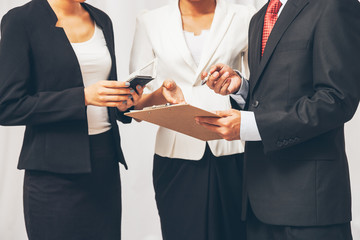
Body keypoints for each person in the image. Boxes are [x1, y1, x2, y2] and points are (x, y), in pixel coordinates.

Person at [196, 0, 360, 239]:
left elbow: (336, 100)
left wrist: (253, 126)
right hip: (257, 203)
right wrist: (241, 88)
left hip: (309, 206)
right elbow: (271, 96)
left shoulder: (334, 5)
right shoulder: (259, 18)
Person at [0, 0, 144, 239]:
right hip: (53, 174)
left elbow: (107, 93)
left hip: (104, 164)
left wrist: (123, 101)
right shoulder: (21, 20)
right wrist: (83, 97)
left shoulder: (101, 19)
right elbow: (7, 106)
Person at [129, 0, 254, 239]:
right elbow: (135, 101)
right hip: (176, 154)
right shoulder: (150, 22)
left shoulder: (245, 17)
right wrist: (161, 93)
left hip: (232, 149)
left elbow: (260, 89)